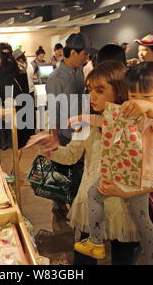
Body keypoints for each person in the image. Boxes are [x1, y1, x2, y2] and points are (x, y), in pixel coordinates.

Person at [31, 61, 143, 265]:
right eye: (90, 90)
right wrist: (50, 147)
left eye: (100, 90)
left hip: (125, 204)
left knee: (124, 259)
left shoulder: (135, 123)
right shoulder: (88, 122)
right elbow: (71, 156)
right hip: (89, 202)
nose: (92, 96)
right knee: (83, 261)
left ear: (119, 90)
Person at [74, 62, 153, 265]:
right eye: (134, 96)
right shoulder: (126, 111)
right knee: (95, 195)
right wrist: (85, 119)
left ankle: (150, 259)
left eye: (146, 96)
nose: (138, 102)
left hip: (141, 178)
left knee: (143, 223)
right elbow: (107, 121)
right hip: (123, 171)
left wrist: (151, 108)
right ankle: (96, 242)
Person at [45, 33, 97, 216]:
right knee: (61, 169)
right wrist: (54, 137)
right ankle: (59, 202)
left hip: (80, 129)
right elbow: (52, 110)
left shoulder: (78, 72)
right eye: (84, 53)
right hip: (65, 133)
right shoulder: (55, 78)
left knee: (76, 171)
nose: (86, 57)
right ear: (73, 52)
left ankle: (73, 202)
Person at [0, 43, 34, 157]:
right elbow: (25, 89)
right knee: (22, 141)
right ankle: (21, 164)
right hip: (23, 105)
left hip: (7, 109)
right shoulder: (20, 67)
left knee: (11, 139)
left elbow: (0, 91)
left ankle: (13, 168)